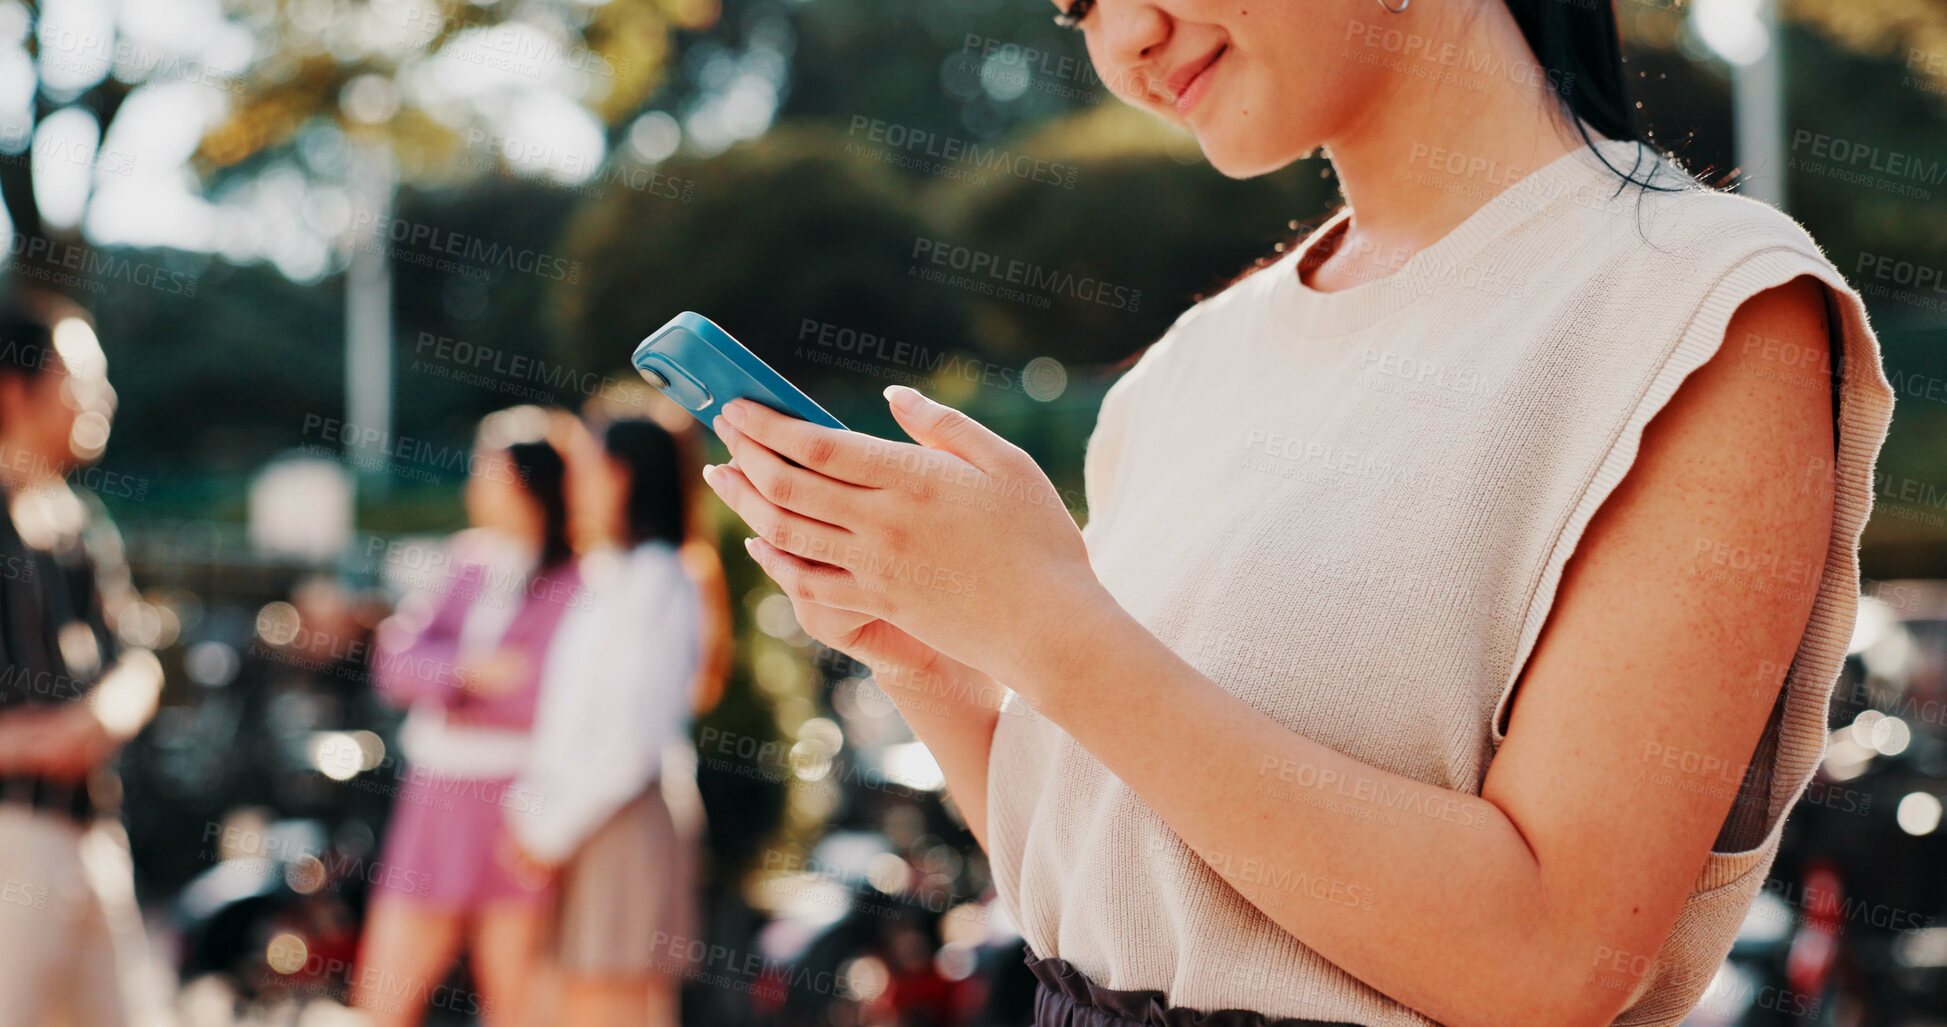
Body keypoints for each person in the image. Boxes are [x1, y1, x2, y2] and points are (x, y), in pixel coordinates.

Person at [696, 2, 1898, 1026]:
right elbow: (1108, 879)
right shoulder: (1187, 368)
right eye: (1078, 2)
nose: (1126, 39)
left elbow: (1550, 958)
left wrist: (1045, 624)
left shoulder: (1706, 309)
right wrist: (921, 651)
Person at [352, 408, 583, 1027]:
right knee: (384, 991)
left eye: (489, 471)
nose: (475, 485)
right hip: (436, 796)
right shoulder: (466, 561)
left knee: (517, 1000)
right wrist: (467, 673)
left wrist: (456, 681)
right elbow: (394, 661)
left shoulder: (579, 579)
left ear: (528, 482)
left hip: (520, 805)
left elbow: (547, 693)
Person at [0, 296, 166, 1027]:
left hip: (93, 834)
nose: (103, 397)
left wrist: (97, 721)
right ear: (14, 390)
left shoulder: (79, 525)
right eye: (82, 377)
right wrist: (29, 743)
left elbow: (138, 661)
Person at [511, 416, 702, 1027]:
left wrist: (546, 831)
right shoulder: (613, 575)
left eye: (589, 469)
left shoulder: (657, 579)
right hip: (587, 819)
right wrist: (538, 820)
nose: (575, 485)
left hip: (619, 813)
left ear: (623, 476)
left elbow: (630, 740)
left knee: (609, 1005)